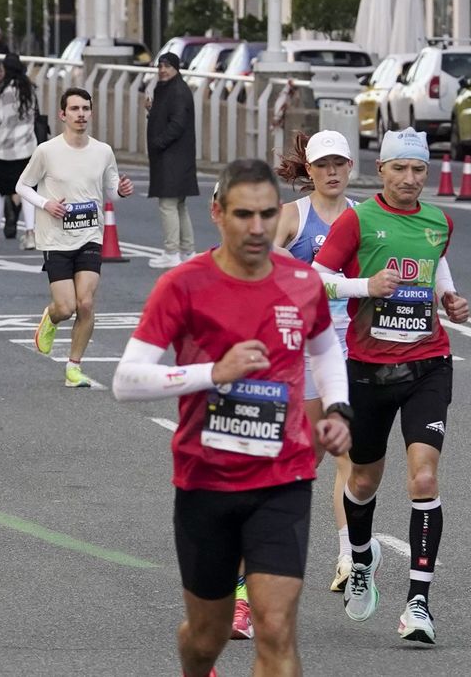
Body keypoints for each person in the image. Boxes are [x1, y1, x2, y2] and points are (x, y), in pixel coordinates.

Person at [112, 158, 352, 677]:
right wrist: (210, 373)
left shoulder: (300, 282)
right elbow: (126, 381)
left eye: (268, 214)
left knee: (275, 625)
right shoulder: (184, 285)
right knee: (206, 637)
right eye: (245, 214)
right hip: (205, 481)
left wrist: (336, 409)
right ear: (218, 213)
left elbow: (326, 350)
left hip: (282, 477)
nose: (259, 228)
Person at [313, 129, 470, 647]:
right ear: (380, 170)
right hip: (369, 368)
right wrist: (365, 287)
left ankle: (418, 604)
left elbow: (434, 263)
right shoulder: (359, 220)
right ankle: (361, 558)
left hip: (428, 362)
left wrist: (448, 298)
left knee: (423, 479)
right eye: (400, 169)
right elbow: (316, 279)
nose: (410, 179)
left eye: (419, 170)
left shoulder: (439, 221)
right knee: (361, 481)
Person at [274, 130, 360, 597]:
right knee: (308, 459)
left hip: (353, 345)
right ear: (309, 170)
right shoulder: (292, 216)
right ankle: (263, 559)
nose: (331, 172)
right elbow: (260, 265)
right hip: (307, 346)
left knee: (349, 451)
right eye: (322, 164)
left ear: (351, 168)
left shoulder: (364, 218)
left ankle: (349, 555)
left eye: (339, 164)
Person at [19, 87, 135, 388]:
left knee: (85, 304)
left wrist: (120, 191)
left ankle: (73, 367)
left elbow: (111, 192)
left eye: (85, 108)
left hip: (90, 236)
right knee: (66, 306)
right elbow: (23, 186)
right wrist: (47, 204)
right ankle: (51, 317)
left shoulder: (103, 151)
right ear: (63, 115)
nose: (80, 114)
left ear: (91, 113)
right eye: (74, 109)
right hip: (55, 239)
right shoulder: (47, 151)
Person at [0, 54, 40, 251]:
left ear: (5, 69)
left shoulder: (0, 93)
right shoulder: (29, 91)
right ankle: (31, 234)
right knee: (27, 192)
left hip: (3, 152)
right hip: (27, 149)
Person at [148, 52, 198, 270]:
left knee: (168, 204)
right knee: (179, 204)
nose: (162, 70)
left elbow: (177, 123)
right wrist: (152, 111)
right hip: (178, 156)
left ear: (176, 68)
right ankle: (187, 250)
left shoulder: (177, 91)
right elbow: (168, 116)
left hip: (172, 156)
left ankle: (172, 252)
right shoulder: (172, 88)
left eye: (167, 66)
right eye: (160, 66)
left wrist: (159, 142)